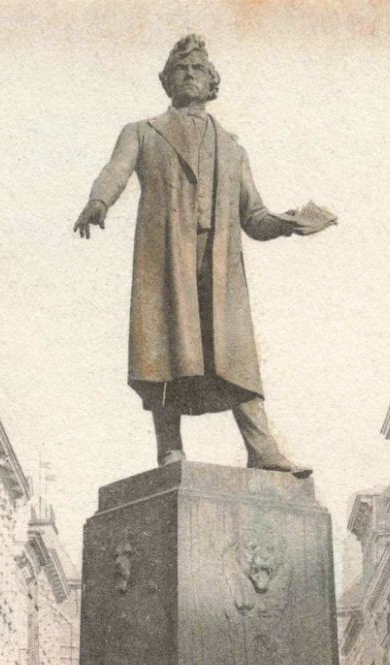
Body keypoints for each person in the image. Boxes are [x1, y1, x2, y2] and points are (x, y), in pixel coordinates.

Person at [74, 34, 319, 477]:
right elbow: (116, 169)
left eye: (198, 70)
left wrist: (289, 222)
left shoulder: (232, 146)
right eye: (181, 70)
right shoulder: (143, 132)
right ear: (167, 82)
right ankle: (170, 448)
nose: (190, 75)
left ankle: (262, 450)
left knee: (235, 355)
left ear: (211, 84)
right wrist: (99, 201)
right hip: (166, 259)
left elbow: (255, 217)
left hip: (219, 264)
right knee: (164, 350)